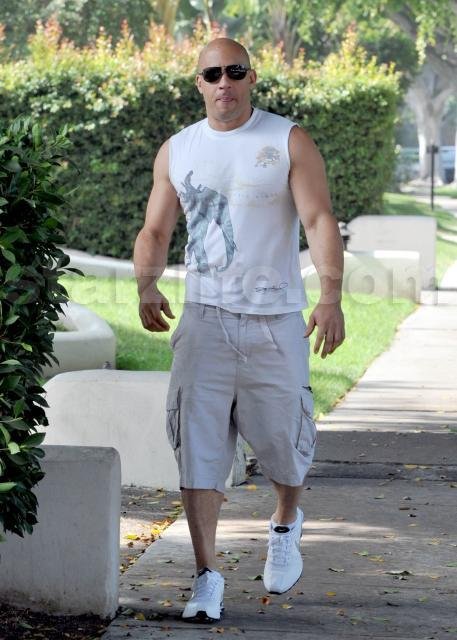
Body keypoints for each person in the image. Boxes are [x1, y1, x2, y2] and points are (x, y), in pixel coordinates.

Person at [133, 37, 345, 622]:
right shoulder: (178, 149)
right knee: (197, 449)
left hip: (275, 320)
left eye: (234, 71)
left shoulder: (288, 140)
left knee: (285, 445)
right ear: (198, 83)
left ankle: (285, 522)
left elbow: (318, 218)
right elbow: (155, 230)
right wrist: (147, 284)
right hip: (203, 320)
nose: (223, 82)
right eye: (212, 74)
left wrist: (330, 297)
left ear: (251, 77)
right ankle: (207, 576)